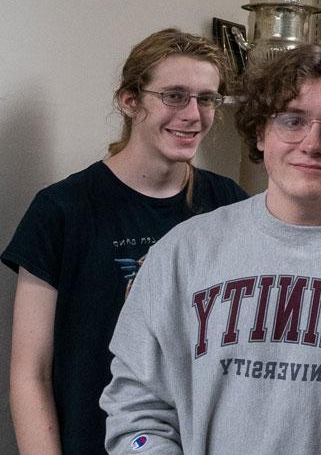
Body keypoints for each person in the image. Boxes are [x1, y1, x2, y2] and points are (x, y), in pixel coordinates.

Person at [101, 43, 321, 453]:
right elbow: (137, 410)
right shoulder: (183, 252)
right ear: (261, 132)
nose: (313, 143)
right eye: (292, 120)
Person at [2, 28, 247, 454]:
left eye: (206, 99)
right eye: (174, 96)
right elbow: (30, 373)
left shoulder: (228, 203)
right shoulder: (62, 210)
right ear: (130, 101)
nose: (193, 114)